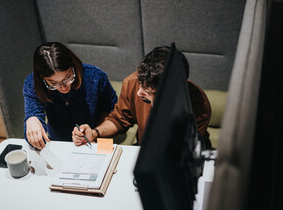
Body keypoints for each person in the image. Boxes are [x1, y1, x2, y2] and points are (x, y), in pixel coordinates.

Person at [72, 46, 212, 149]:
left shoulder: (198, 104)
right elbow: (119, 119)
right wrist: (95, 133)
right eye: (140, 84)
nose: (139, 93)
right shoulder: (134, 83)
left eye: (149, 92)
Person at [23, 42, 117, 149]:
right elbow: (32, 140)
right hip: (59, 143)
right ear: (42, 78)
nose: (63, 87)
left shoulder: (95, 76)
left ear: (73, 66)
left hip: (95, 138)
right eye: (53, 83)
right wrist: (31, 119)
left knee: (114, 158)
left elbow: (113, 112)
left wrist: (95, 134)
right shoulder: (33, 83)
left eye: (67, 78)